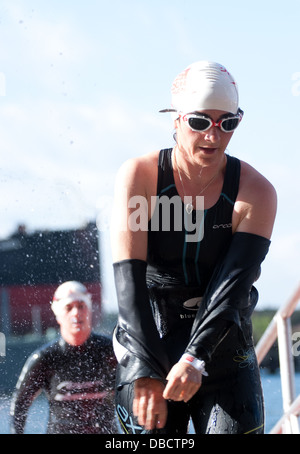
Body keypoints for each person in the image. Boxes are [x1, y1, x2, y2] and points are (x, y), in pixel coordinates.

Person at [111, 61, 277, 434]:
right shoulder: (141, 177)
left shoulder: (256, 193)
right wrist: (144, 367)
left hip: (224, 353)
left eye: (227, 123)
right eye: (200, 122)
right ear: (176, 119)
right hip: (150, 341)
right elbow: (129, 283)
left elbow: (230, 289)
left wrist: (195, 358)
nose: (213, 136)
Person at [10, 281, 117, 434]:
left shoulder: (110, 351)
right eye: (69, 307)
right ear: (58, 315)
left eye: (81, 306)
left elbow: (135, 389)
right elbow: (20, 404)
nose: (76, 313)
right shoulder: (46, 358)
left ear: (89, 310)